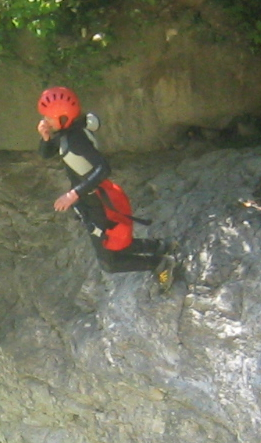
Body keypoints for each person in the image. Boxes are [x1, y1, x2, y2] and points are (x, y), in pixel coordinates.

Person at [36, 86, 176, 291]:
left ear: (64, 118)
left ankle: (160, 264)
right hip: (91, 200)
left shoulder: (76, 140)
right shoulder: (70, 130)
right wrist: (45, 136)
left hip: (96, 204)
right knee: (113, 241)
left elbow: (103, 168)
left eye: (48, 118)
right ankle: (161, 247)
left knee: (109, 262)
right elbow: (46, 153)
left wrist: (73, 194)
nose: (44, 121)